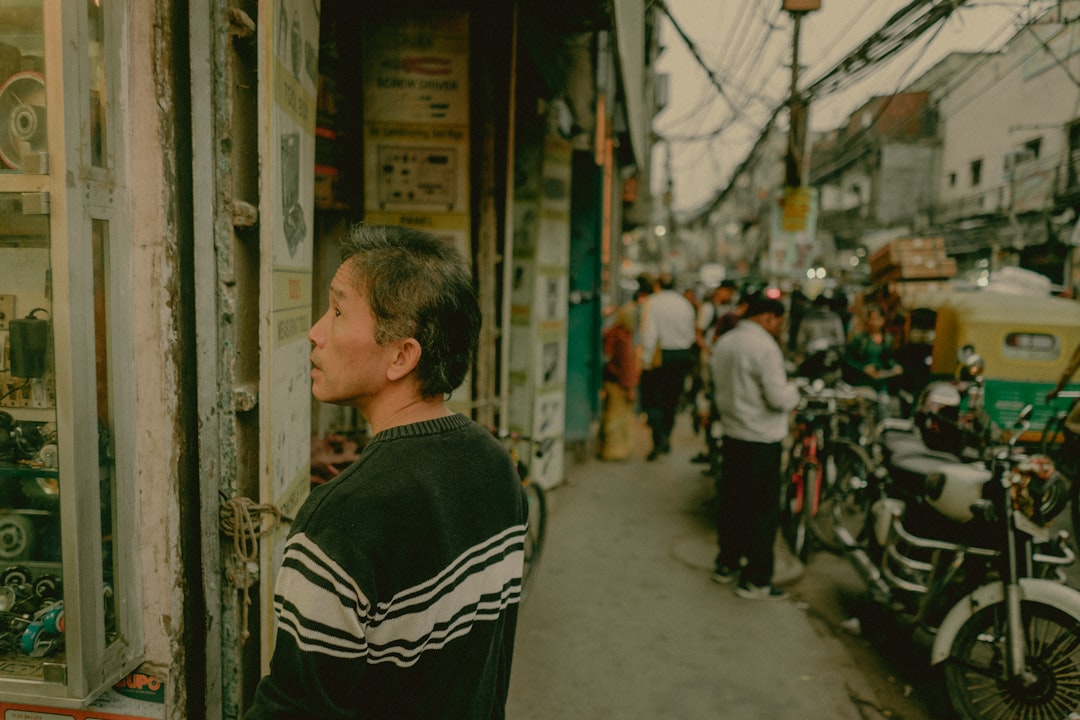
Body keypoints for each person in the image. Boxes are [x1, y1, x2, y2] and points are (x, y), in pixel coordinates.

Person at [246, 225, 527, 720]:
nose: (315, 331)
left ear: (402, 355)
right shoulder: (493, 461)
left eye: (336, 311)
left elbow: (296, 708)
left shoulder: (342, 516)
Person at [710, 296, 800, 600]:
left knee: (733, 504)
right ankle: (757, 580)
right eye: (779, 322)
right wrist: (794, 392)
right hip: (761, 440)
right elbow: (778, 398)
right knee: (762, 512)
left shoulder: (725, 342)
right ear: (768, 318)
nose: (779, 329)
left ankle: (727, 563)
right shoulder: (764, 348)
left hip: (733, 434)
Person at [639, 272, 698, 461]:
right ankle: (666, 438)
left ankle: (660, 440)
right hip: (681, 356)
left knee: (653, 400)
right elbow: (690, 334)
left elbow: (649, 335)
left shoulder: (653, 302)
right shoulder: (685, 304)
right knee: (671, 400)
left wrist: (646, 361)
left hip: (660, 356)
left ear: (657, 285)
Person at [599, 302, 642, 460]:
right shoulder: (624, 339)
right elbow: (627, 366)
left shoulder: (613, 333)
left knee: (610, 415)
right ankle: (615, 451)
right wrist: (630, 388)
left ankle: (605, 447)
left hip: (610, 380)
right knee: (618, 418)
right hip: (620, 384)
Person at [842, 304, 902, 394]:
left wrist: (895, 366)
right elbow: (847, 359)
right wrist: (863, 368)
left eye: (878, 319)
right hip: (862, 384)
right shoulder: (860, 339)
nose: (874, 323)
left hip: (880, 384)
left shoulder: (888, 339)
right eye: (872, 319)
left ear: (883, 320)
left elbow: (888, 358)